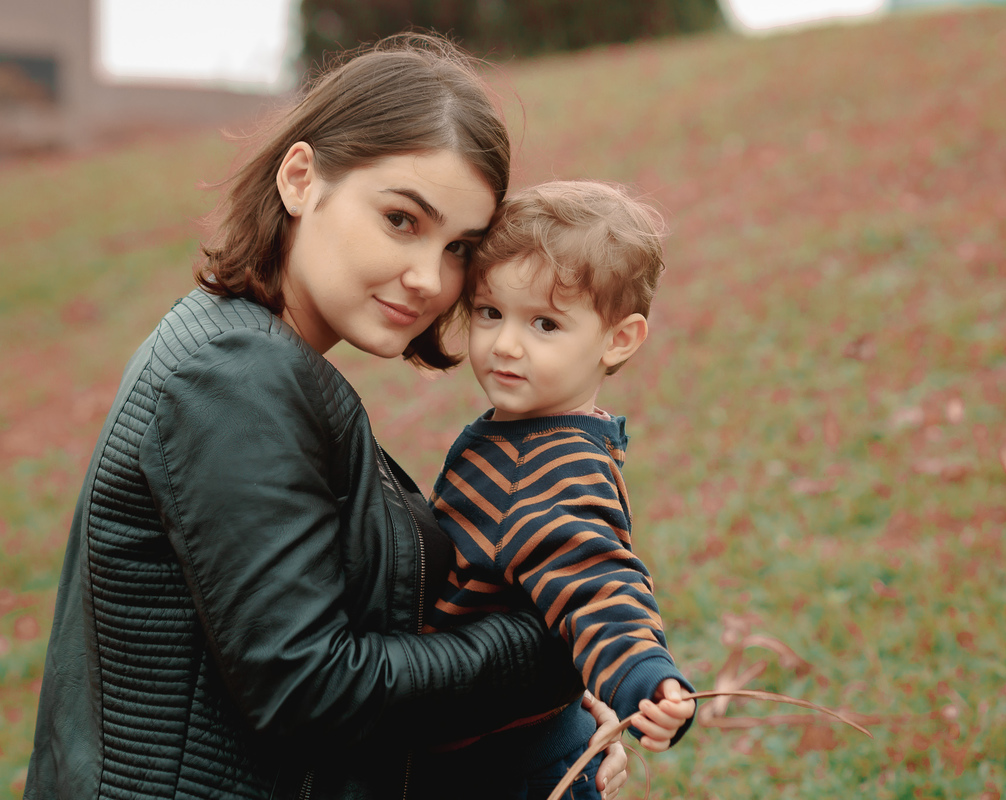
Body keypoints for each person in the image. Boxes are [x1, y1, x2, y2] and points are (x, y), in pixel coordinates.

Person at [22, 34, 635, 800]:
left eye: (459, 248)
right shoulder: (234, 376)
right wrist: (548, 653)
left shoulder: (247, 355)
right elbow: (305, 689)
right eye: (402, 219)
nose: (429, 278)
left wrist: (533, 730)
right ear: (301, 178)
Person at [414, 181, 696, 799]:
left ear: (619, 339)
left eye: (545, 323)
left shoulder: (548, 465)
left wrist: (643, 676)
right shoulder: (533, 435)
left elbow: (593, 580)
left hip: (510, 768)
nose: (505, 344)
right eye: (490, 312)